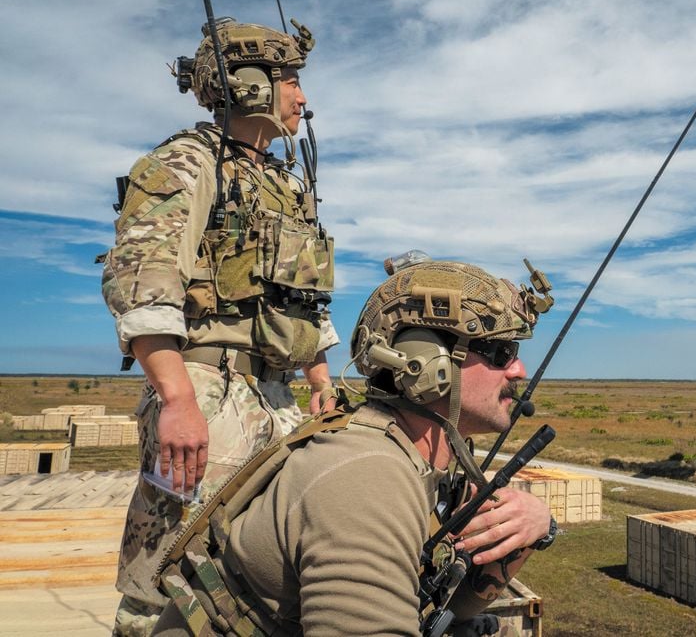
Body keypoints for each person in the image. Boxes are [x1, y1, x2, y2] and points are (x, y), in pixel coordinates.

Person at [152, 256, 559, 636]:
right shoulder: (368, 475)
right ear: (426, 360)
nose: (518, 369)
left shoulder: (428, 462)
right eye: (501, 352)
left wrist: (535, 529)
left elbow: (453, 606)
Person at [100, 17, 340, 635]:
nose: (303, 98)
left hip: (278, 397)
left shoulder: (282, 185)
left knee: (259, 572)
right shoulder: (185, 162)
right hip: (208, 390)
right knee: (174, 572)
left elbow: (304, 296)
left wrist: (320, 376)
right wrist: (176, 397)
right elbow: (141, 277)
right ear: (253, 84)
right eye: (292, 81)